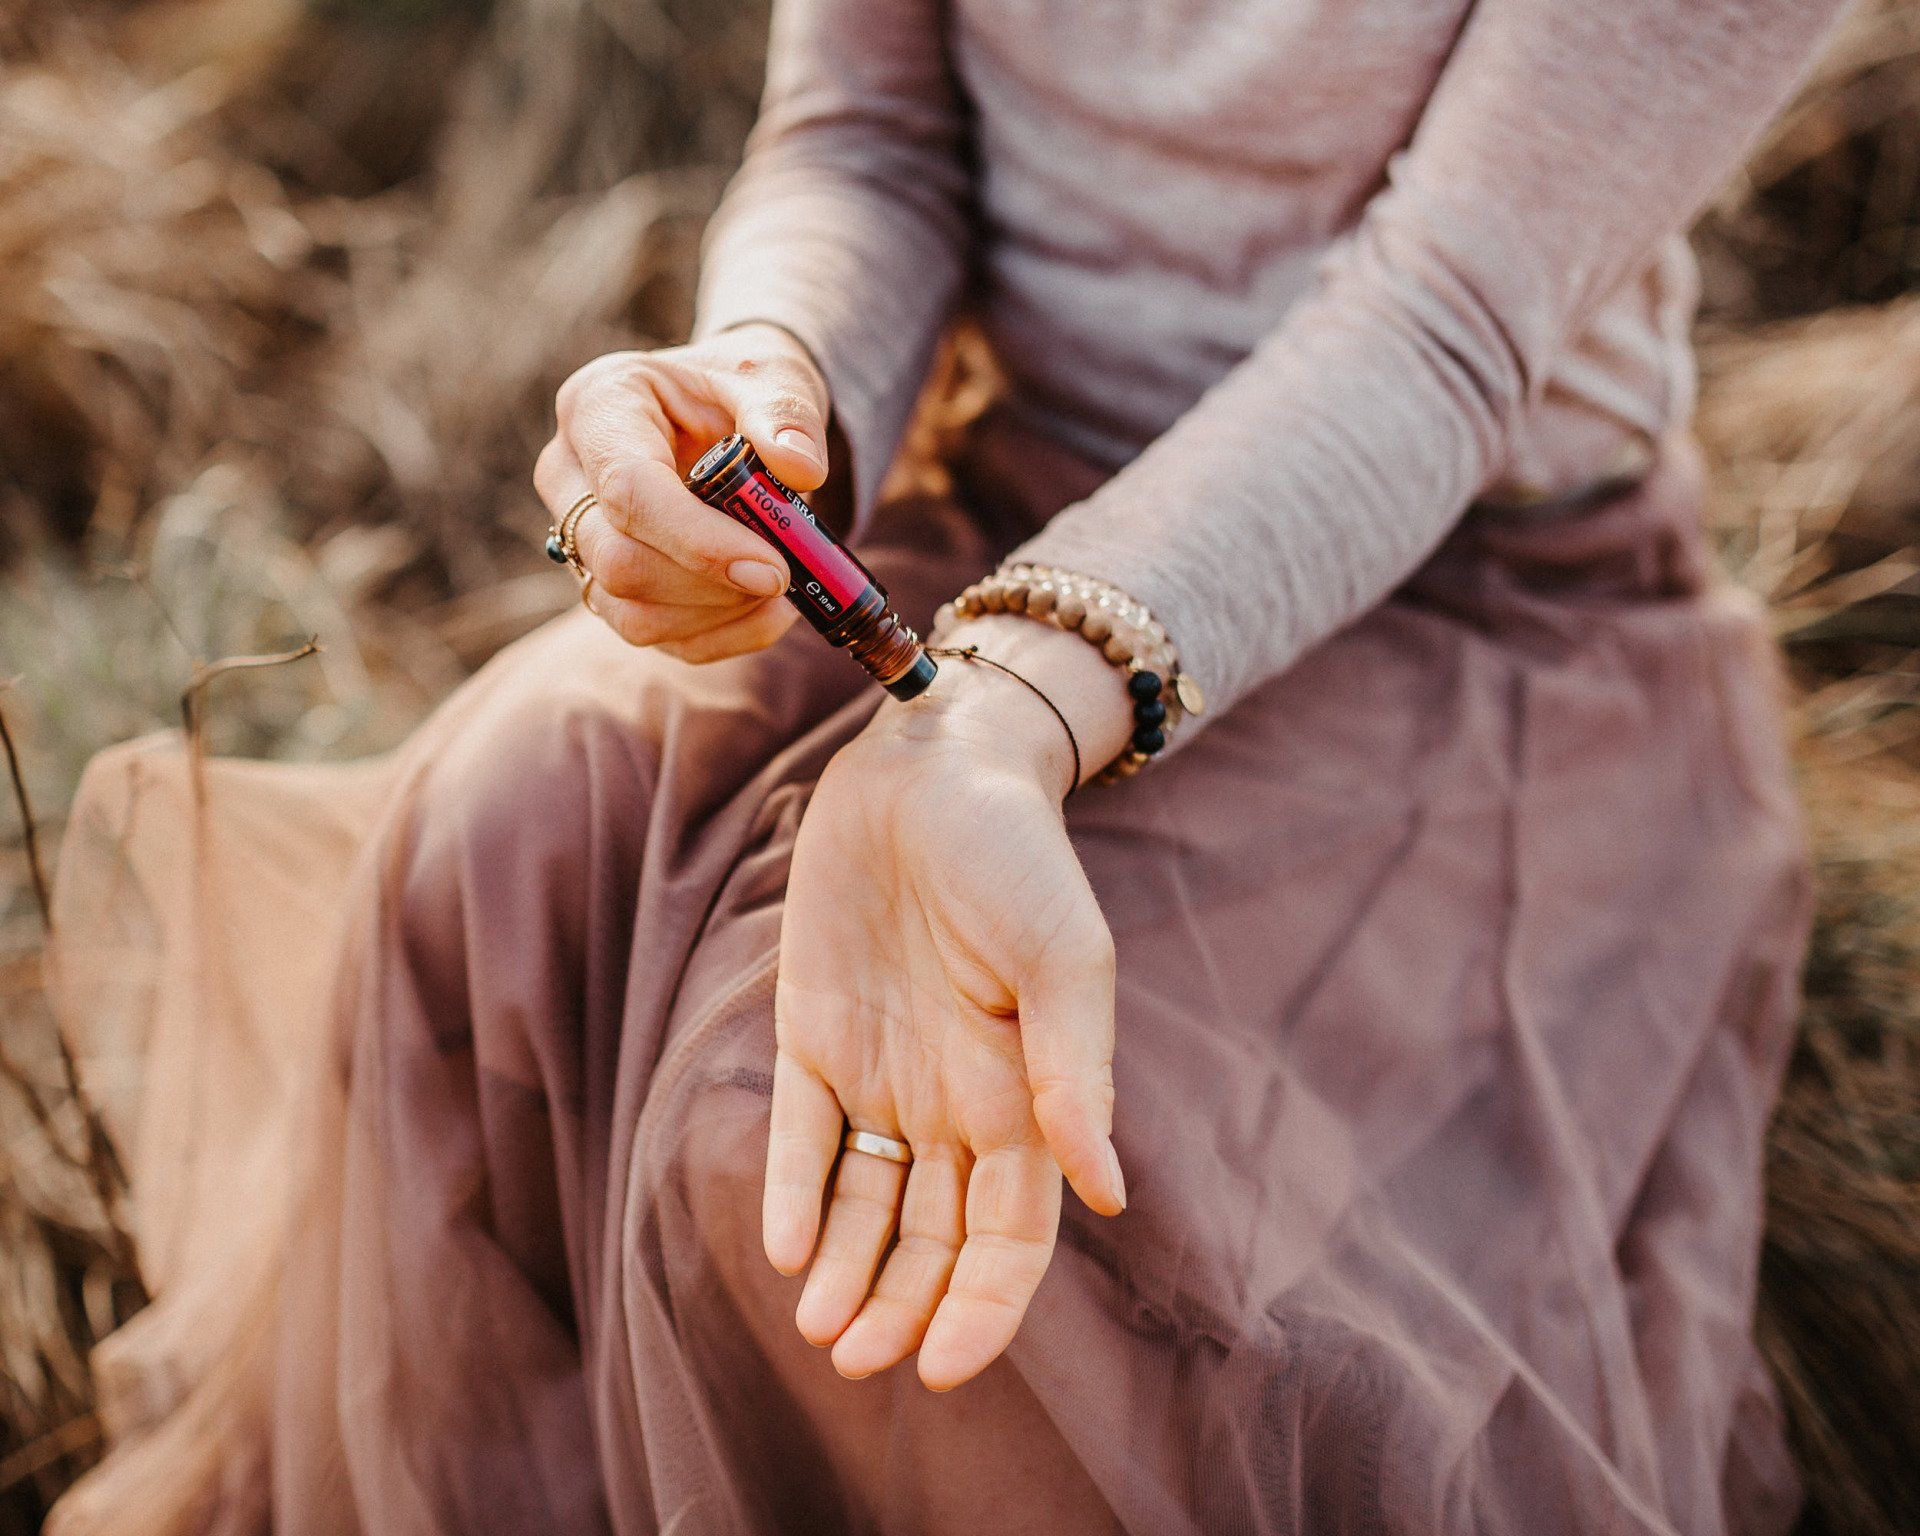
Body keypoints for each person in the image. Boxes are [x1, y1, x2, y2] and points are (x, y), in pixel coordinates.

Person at [48, 0, 1847, 1531]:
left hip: (1456, 595)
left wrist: (1009, 701)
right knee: (504, 834)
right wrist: (769, 392)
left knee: (784, 1142)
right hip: (990, 500)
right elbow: (869, 138)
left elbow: (1448, 325)